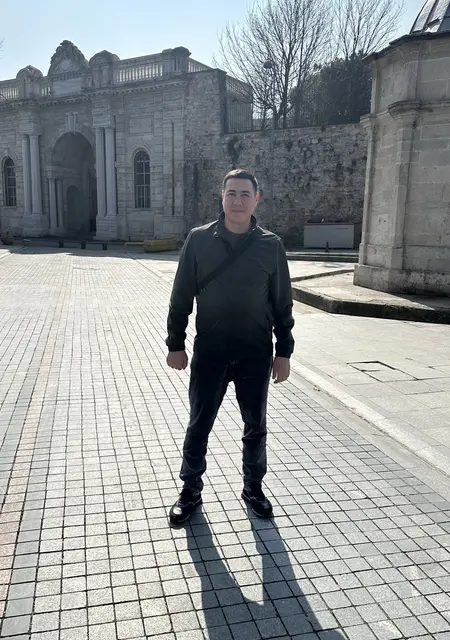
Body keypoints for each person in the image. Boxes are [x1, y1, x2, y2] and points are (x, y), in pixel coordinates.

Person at [165, 168, 295, 525]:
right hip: (211, 351)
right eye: (231, 193)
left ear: (256, 199)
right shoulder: (199, 239)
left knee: (255, 426)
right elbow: (181, 295)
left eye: (245, 194)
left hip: (255, 352)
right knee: (199, 424)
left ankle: (253, 488)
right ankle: (190, 490)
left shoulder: (271, 245)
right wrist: (176, 343)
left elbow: (282, 303)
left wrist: (284, 351)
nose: (238, 201)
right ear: (222, 197)